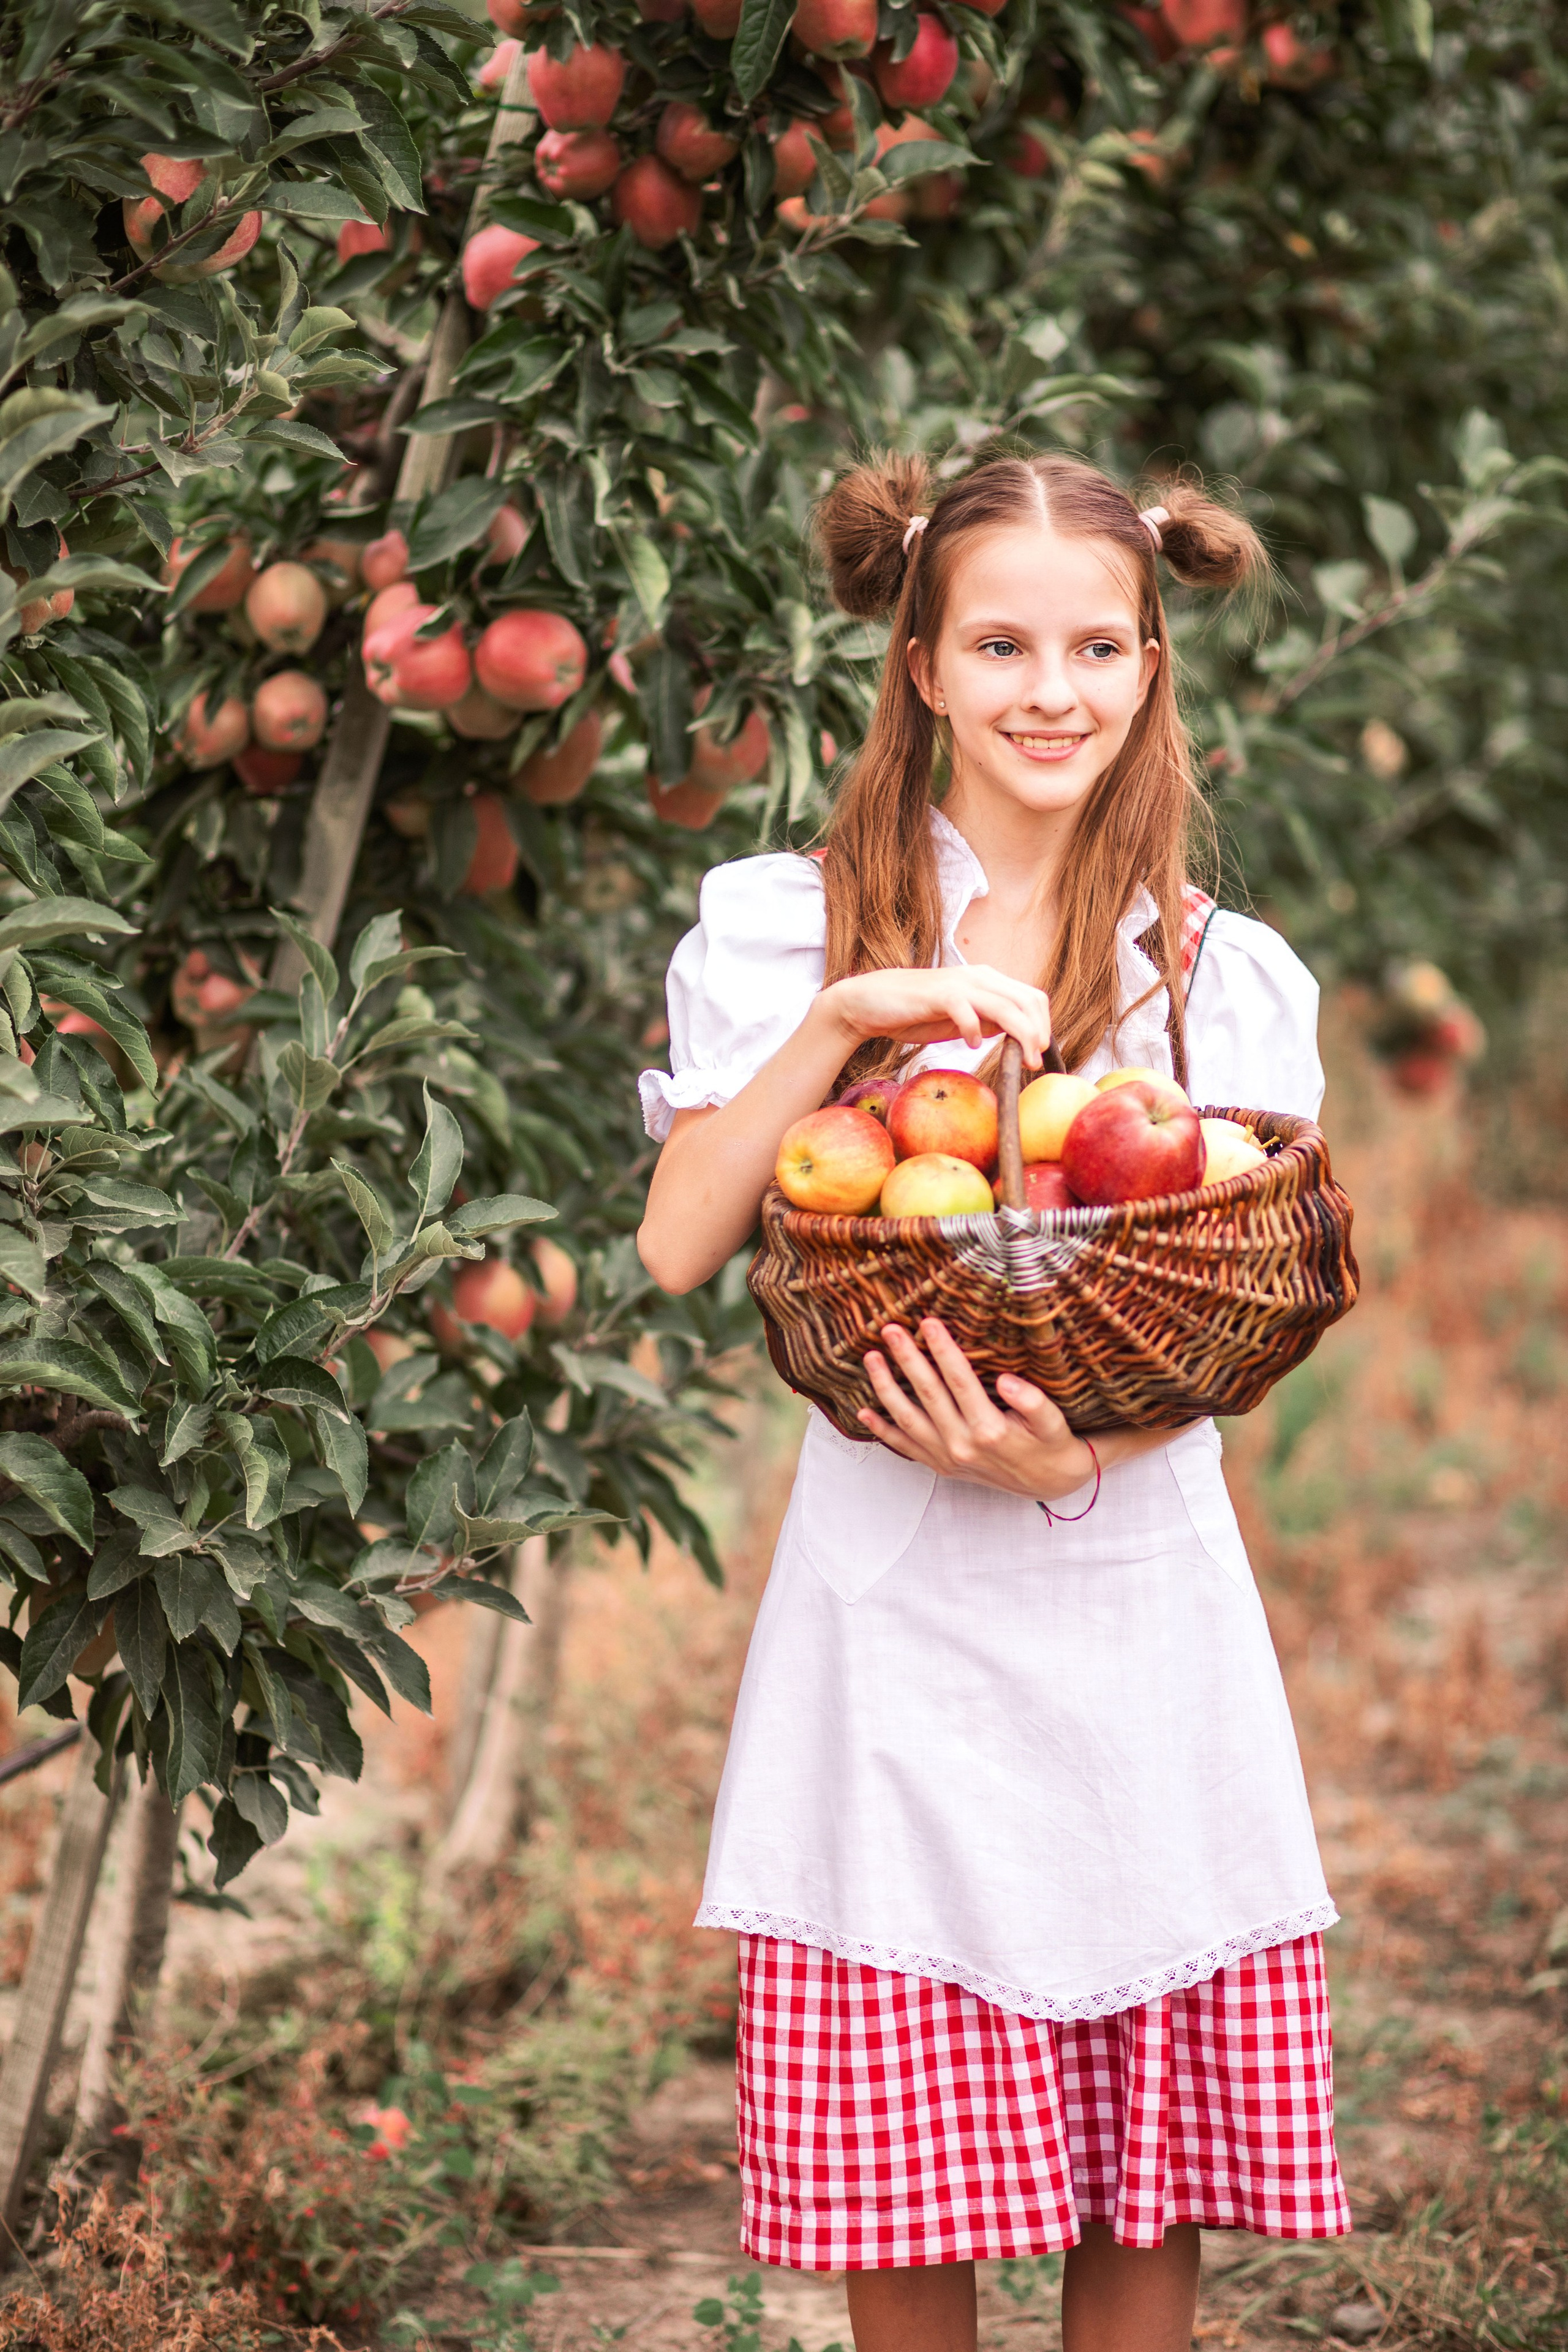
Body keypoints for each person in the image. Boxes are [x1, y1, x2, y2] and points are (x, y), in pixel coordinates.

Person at [635, 447, 1349, 2352]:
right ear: (925, 665)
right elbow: (681, 1241)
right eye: (1006, 642)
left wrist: (1075, 1455)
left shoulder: (1213, 979)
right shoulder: (793, 926)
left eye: (1100, 644)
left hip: (1133, 1586)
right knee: (907, 2162)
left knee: (1148, 2162)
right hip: (894, 1614)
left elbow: (1238, 1319)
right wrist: (850, 1025)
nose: (1057, 689)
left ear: (1150, 663)